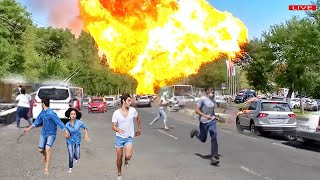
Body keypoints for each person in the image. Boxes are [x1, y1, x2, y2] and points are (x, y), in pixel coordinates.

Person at [24, 97, 70, 175]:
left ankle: (46, 168)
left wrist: (66, 131)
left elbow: (59, 122)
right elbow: (37, 121)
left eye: (41, 103)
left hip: (51, 134)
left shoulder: (51, 113)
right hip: (43, 133)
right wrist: (28, 128)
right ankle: (44, 155)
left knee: (48, 148)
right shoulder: (42, 112)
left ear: (43, 104)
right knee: (40, 150)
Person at [112, 93, 141, 180]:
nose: (130, 102)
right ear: (123, 101)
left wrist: (139, 129)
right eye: (128, 100)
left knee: (128, 155)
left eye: (130, 100)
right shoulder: (116, 113)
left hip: (129, 137)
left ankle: (127, 161)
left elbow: (138, 118)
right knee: (119, 157)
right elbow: (113, 126)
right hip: (119, 138)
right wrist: (118, 130)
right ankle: (119, 173)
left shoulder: (133, 110)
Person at [190, 87, 220, 166]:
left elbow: (212, 110)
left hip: (212, 121)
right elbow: (196, 110)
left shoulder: (213, 99)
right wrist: (205, 115)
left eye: (213, 90)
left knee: (214, 136)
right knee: (203, 139)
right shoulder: (202, 99)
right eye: (211, 90)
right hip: (203, 122)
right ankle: (195, 132)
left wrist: (215, 116)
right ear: (207, 91)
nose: (212, 92)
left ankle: (214, 157)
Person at [64, 108, 89, 173]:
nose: (73, 115)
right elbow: (66, 133)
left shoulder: (79, 122)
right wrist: (66, 135)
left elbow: (85, 127)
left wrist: (86, 135)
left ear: (76, 115)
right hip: (69, 141)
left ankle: (76, 157)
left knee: (77, 156)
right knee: (70, 155)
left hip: (77, 141)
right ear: (69, 115)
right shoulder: (67, 124)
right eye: (71, 114)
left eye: (74, 114)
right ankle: (70, 167)